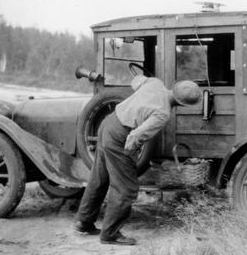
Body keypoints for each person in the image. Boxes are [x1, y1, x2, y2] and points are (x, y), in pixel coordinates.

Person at [73, 75, 201, 245]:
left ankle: (83, 223)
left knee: (100, 177)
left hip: (108, 123)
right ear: (183, 105)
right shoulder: (163, 113)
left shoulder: (155, 83)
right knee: (126, 188)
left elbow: (136, 80)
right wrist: (128, 155)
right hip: (120, 136)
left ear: (174, 87)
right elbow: (136, 136)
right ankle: (110, 234)